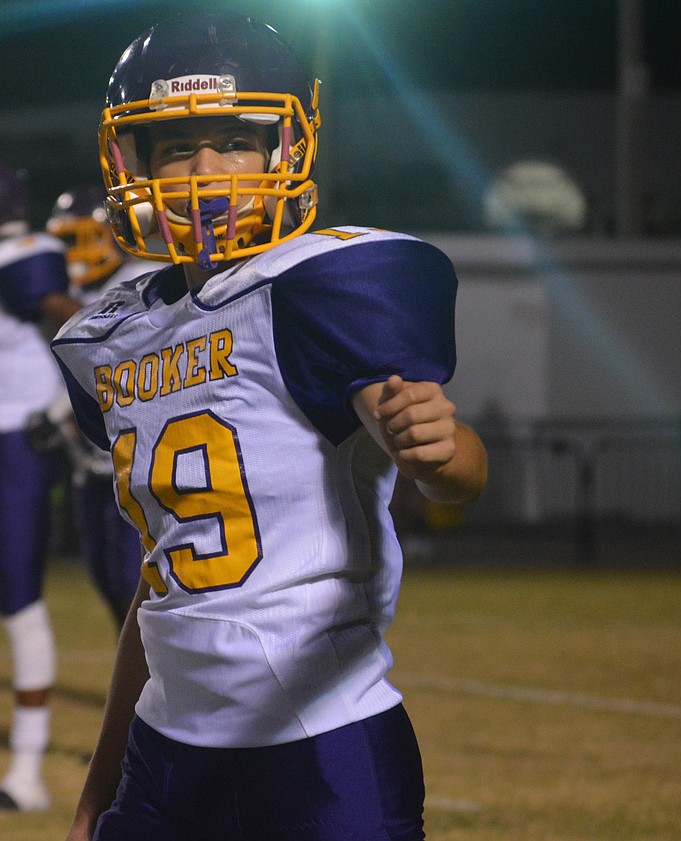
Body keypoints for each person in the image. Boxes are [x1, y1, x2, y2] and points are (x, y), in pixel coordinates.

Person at [52, 12, 487, 841]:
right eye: (177, 147)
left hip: (321, 751)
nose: (205, 172)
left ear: (284, 150)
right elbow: (165, 581)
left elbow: (452, 469)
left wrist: (442, 451)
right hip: (163, 757)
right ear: (131, 163)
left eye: (234, 142)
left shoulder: (321, 288)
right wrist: (97, 790)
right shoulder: (113, 336)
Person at [0, 159, 81, 811]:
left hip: (14, 449)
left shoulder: (23, 255)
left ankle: (25, 769)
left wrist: (64, 409)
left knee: (19, 602)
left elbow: (73, 323)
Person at [39, 188, 152, 629]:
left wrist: (52, 413)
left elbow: (105, 362)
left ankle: (155, 685)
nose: (74, 252)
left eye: (84, 238)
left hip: (134, 460)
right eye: (67, 241)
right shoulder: (78, 289)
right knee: (104, 575)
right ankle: (136, 682)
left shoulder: (142, 278)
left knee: (132, 580)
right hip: (91, 462)